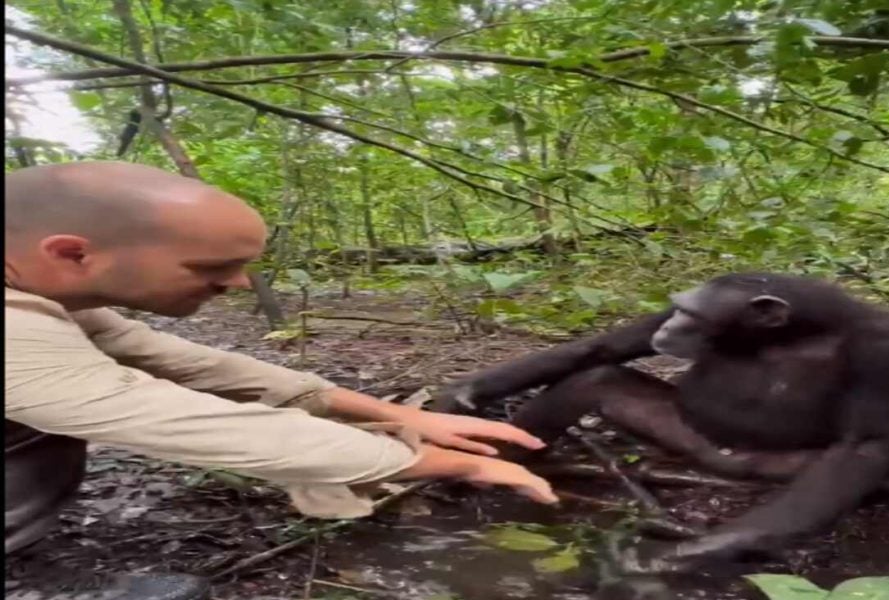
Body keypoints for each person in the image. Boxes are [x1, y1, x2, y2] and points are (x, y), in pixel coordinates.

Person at [4, 162, 558, 600]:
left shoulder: (43, 295)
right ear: (73, 253)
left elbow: (181, 363)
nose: (239, 284)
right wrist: (453, 463)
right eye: (207, 267)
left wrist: (408, 418)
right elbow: (175, 418)